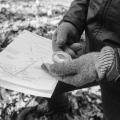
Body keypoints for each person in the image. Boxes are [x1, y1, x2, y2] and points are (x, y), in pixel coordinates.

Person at [17, 0, 120, 120]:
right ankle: (59, 108)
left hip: (115, 71)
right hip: (90, 48)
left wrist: (112, 61)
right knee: (40, 74)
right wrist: (72, 21)